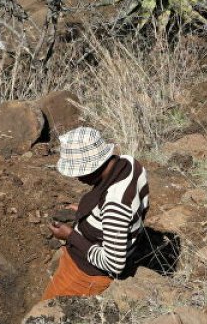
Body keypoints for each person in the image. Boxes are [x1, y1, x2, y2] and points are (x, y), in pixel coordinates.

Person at [42, 127, 149, 298]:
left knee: (48, 309)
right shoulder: (129, 163)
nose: (77, 178)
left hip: (84, 276)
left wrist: (70, 236)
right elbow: (128, 208)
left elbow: (114, 264)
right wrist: (93, 211)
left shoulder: (115, 204)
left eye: (79, 172)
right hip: (87, 265)